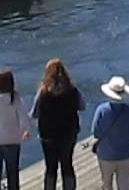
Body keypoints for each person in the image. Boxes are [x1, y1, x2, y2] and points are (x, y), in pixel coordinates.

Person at [32, 58, 85, 190]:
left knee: (50, 168)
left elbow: (34, 113)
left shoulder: (43, 92)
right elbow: (82, 106)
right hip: (68, 134)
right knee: (67, 165)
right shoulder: (73, 90)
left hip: (48, 135)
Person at [91, 76, 129, 190]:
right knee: (125, 186)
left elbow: (96, 132)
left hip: (106, 155)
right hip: (126, 154)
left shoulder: (102, 110)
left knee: (106, 184)